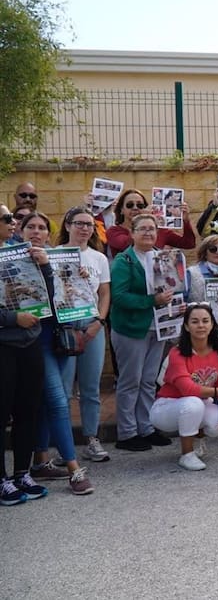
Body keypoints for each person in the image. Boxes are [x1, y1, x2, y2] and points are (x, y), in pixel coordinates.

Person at [17, 212, 96, 496]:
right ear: (21, 231)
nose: (36, 232)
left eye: (42, 228)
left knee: (46, 403)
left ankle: (40, 461)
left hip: (59, 338)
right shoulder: (10, 261)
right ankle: (74, 469)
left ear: (48, 234)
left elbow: (67, 300)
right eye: (31, 227)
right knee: (59, 401)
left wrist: (82, 280)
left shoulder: (58, 257)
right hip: (33, 340)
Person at [109, 213, 176, 452]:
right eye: (143, 229)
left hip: (158, 326)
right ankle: (127, 433)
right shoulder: (124, 260)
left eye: (152, 229)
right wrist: (151, 300)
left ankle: (146, 427)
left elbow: (173, 287)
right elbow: (118, 296)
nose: (148, 233)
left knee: (148, 380)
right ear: (132, 233)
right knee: (130, 381)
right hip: (131, 328)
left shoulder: (163, 257)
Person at [150, 304, 218, 471]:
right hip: (167, 407)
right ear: (186, 326)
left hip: (198, 403)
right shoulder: (177, 352)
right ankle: (187, 454)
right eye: (195, 322)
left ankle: (198, 440)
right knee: (193, 403)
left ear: (212, 324)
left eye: (205, 321)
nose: (201, 325)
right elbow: (187, 389)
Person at [0, 230, 52, 505]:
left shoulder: (22, 253)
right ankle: (1, 480)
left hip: (29, 342)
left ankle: (22, 473)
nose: (12, 224)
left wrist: (45, 268)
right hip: (4, 345)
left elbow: (48, 298)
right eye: (6, 219)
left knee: (28, 410)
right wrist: (12, 318)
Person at [55, 207, 111, 462]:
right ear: (67, 226)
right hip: (65, 326)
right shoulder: (54, 254)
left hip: (92, 326)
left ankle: (91, 438)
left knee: (90, 387)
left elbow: (104, 294)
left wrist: (100, 321)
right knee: (63, 389)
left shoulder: (99, 258)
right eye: (79, 223)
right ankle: (63, 446)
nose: (85, 228)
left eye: (89, 224)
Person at [106, 188, 197, 256]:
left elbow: (189, 244)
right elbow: (127, 245)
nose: (135, 208)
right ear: (121, 210)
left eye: (140, 205)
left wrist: (186, 221)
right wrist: (141, 220)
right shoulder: (113, 231)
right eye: (130, 205)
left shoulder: (160, 231)